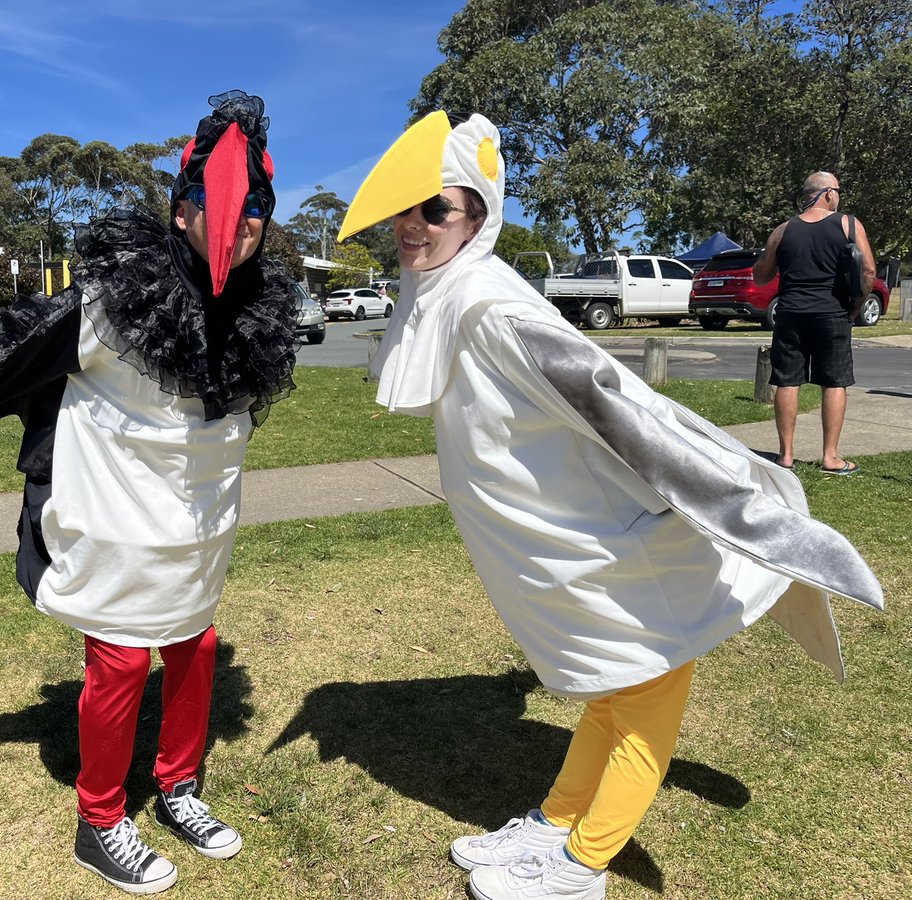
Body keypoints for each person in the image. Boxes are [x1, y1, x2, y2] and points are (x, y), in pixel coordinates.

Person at [337, 111, 883, 900]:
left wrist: (754, 506)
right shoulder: (451, 293)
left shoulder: (496, 309)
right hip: (573, 544)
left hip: (632, 551)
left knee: (643, 692)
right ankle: (558, 821)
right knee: (608, 689)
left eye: (436, 209)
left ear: (478, 217)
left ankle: (585, 862)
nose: (412, 226)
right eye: (408, 209)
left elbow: (628, 410)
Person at [0, 91, 301, 895]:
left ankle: (180, 786)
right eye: (212, 200)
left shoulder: (261, 311)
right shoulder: (112, 300)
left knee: (195, 648)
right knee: (121, 661)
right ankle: (99, 821)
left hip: (199, 530)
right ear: (180, 207)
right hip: (117, 524)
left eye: (254, 206)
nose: (235, 218)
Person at [753, 171, 876, 475]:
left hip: (791, 314)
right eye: (838, 192)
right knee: (834, 382)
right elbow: (869, 272)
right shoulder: (848, 224)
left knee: (787, 380)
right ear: (829, 194)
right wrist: (854, 309)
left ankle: (785, 456)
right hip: (832, 313)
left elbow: (761, 276)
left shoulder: (783, 230)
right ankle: (831, 458)